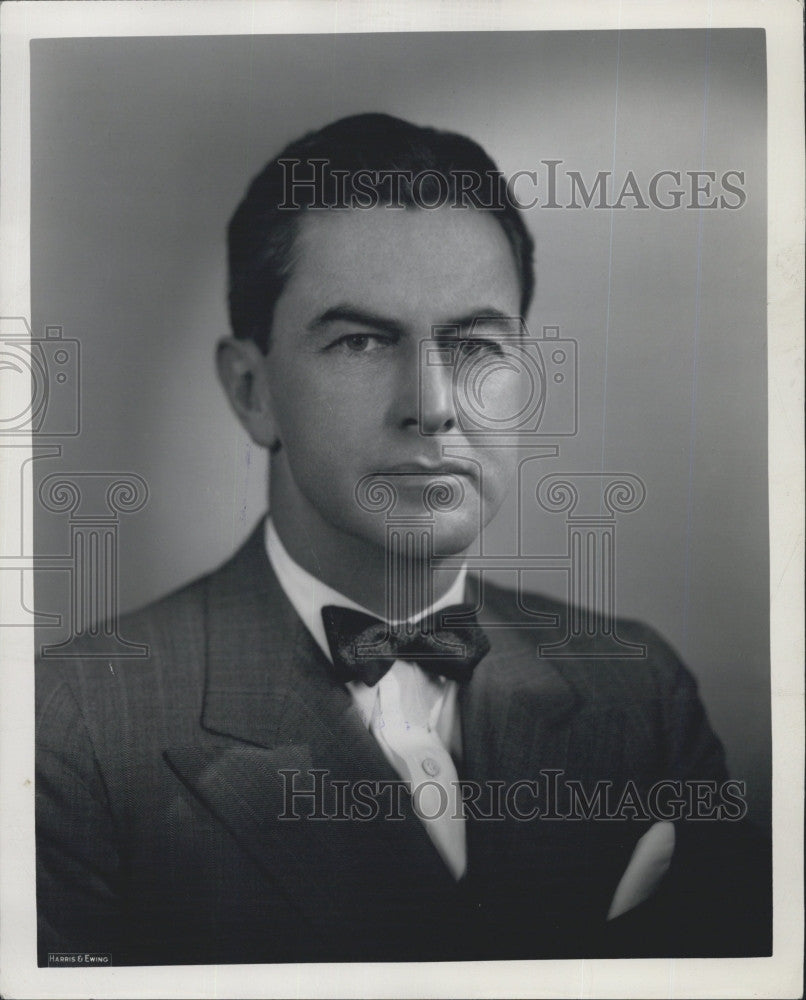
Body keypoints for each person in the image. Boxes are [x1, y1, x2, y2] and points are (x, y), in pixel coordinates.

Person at [36, 113, 770, 966]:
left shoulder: (638, 691)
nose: (433, 403)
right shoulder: (72, 732)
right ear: (251, 390)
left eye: (475, 344)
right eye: (361, 341)